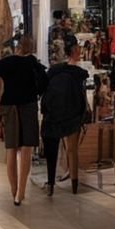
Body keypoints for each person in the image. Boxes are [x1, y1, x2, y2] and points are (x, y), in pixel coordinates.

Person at [0, 35, 45, 206]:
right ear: (31, 48)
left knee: (11, 148)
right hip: (28, 106)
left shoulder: (3, 64)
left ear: (17, 47)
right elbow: (44, 84)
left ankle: (13, 189)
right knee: (26, 148)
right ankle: (21, 192)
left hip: (9, 107)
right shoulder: (34, 63)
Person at [41, 34, 90, 195]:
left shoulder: (54, 70)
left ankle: (51, 184)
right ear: (75, 50)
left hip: (54, 115)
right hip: (72, 115)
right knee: (72, 149)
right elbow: (82, 97)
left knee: (54, 148)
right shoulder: (80, 73)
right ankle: (75, 184)